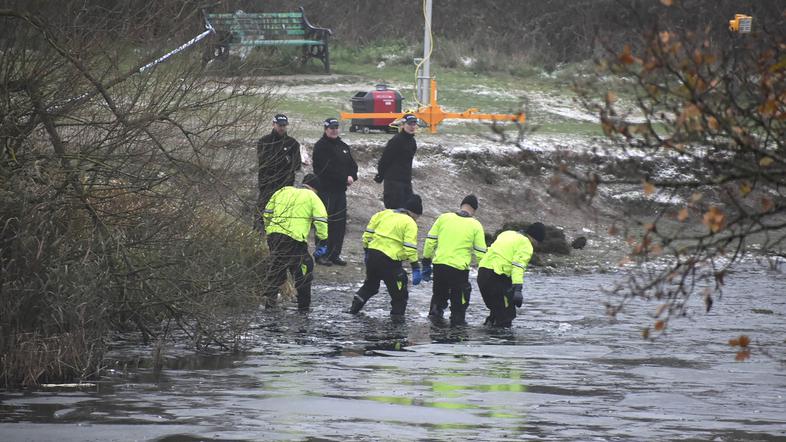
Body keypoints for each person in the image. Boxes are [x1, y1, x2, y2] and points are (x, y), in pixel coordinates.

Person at [350, 195, 424, 318]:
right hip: (390, 262)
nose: (416, 220)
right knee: (399, 295)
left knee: (370, 286)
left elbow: (367, 235)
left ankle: (352, 311)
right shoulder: (410, 222)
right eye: (417, 218)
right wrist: (415, 266)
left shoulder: (383, 214)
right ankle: (396, 326)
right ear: (414, 214)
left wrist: (366, 251)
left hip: (372, 255)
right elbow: (409, 247)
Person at [262, 174, 328, 310]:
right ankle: (303, 308)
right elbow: (321, 221)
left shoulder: (282, 191)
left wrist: (269, 230)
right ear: (315, 189)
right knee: (304, 268)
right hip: (294, 239)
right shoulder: (312, 197)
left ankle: (269, 302)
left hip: (274, 236)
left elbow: (267, 212)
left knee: (277, 267)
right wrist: (322, 241)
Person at [422, 194, 487, 326]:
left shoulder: (444, 218)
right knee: (459, 307)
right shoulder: (475, 225)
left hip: (439, 265)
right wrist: (484, 269)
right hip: (459, 270)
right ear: (474, 210)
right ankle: (456, 337)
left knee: (438, 300)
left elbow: (430, 241)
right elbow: (480, 253)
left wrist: (426, 261)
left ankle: (434, 333)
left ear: (461, 205)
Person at [477, 222, 545, 327]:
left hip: (482, 274)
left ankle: (488, 335)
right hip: (497, 277)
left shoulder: (506, 234)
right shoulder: (526, 244)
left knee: (496, 311)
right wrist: (518, 289)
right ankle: (504, 341)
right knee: (506, 316)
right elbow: (518, 266)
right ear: (536, 239)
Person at [312, 117, 358, 266]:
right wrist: (344, 178)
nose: (334, 130)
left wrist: (352, 176)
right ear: (326, 129)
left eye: (336, 128)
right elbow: (325, 170)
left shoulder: (343, 146)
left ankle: (334, 254)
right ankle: (321, 254)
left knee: (339, 225)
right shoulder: (320, 146)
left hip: (340, 192)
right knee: (325, 224)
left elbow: (352, 165)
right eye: (331, 128)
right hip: (326, 191)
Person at [256, 113, 302, 230]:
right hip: (267, 185)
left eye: (284, 125)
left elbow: (296, 165)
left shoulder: (292, 143)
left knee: (282, 214)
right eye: (279, 125)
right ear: (273, 124)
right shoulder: (264, 141)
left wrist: (284, 163)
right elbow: (265, 162)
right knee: (262, 213)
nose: (282, 128)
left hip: (285, 186)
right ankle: (257, 237)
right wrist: (285, 160)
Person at [374, 113, 418, 209]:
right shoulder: (397, 140)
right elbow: (385, 159)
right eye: (410, 124)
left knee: (407, 209)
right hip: (393, 181)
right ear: (403, 125)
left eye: (414, 124)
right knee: (394, 209)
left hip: (406, 181)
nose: (412, 127)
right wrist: (380, 175)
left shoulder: (412, 141)